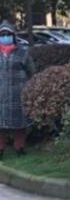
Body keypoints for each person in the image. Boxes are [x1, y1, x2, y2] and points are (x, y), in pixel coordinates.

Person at [0, 21, 34, 158]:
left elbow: (31, 71)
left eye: (8, 34)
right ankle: (0, 149)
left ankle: (19, 148)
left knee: (20, 124)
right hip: (0, 94)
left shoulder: (22, 53)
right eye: (2, 34)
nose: (5, 37)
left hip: (17, 94)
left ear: (13, 36)